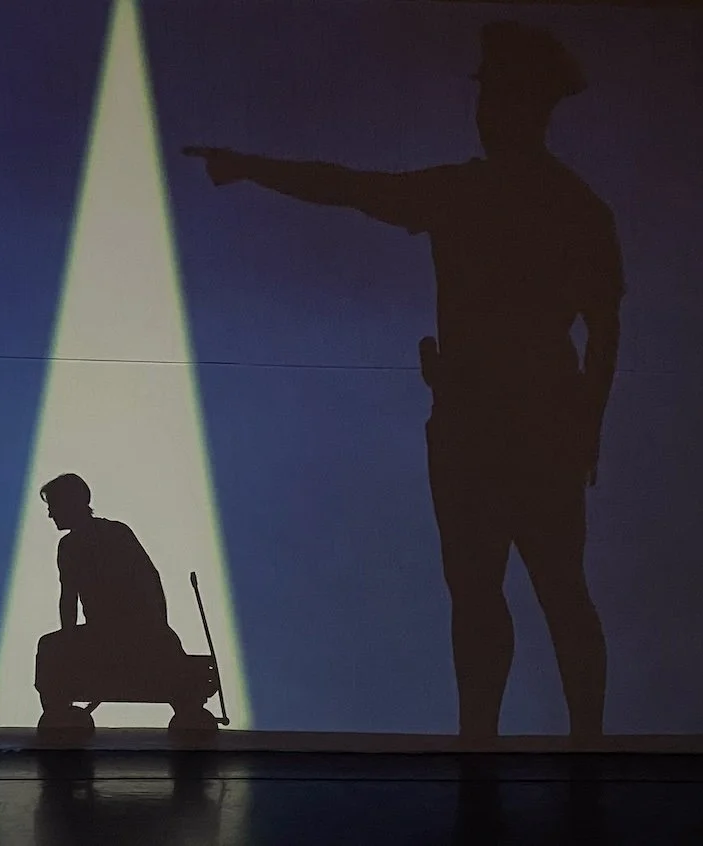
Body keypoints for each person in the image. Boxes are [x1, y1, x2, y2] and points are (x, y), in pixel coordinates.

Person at [186, 21, 623, 742]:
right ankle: (547, 742)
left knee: (511, 594)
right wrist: (586, 423)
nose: (483, 113)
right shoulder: (566, 205)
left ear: (524, 105)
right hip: (502, 421)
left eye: (496, 97)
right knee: (528, 592)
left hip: (490, 423)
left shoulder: (499, 199)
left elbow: (351, 189)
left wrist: (247, 166)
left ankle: (503, 741)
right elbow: (603, 330)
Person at [34, 474, 197, 723]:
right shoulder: (115, 532)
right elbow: (152, 582)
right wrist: (159, 628)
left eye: (53, 507)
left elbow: (69, 599)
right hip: (139, 631)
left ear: (70, 504)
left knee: (48, 647)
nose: (50, 515)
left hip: (116, 635)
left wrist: (67, 643)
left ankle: (58, 716)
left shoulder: (72, 546)